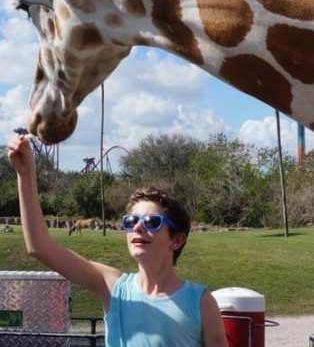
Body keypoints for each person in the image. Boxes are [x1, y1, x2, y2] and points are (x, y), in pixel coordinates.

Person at [7, 135, 227, 347]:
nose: (138, 227)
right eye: (131, 221)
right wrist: (25, 175)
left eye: (151, 222)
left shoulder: (201, 302)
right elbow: (40, 246)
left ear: (177, 240)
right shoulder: (113, 287)